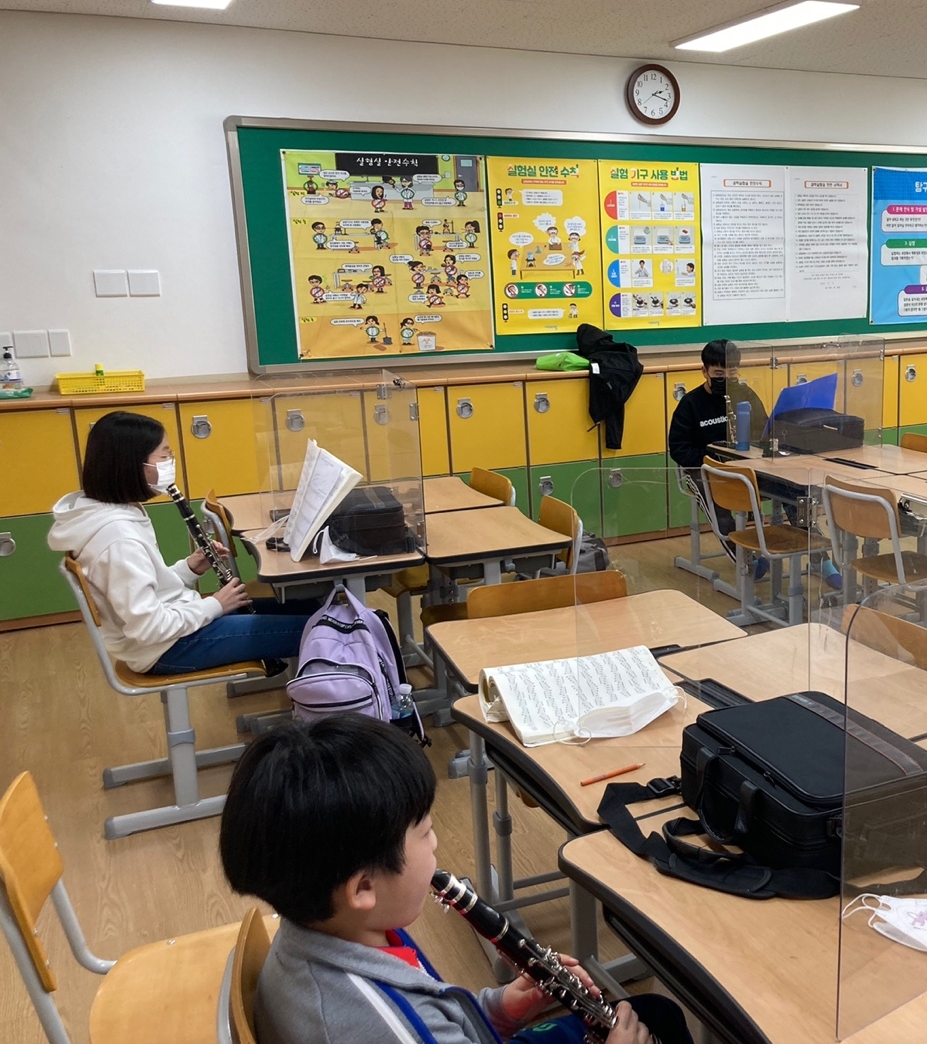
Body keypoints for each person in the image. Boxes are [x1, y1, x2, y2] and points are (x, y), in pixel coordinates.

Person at [219, 715, 691, 1044]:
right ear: (362, 888)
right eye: (425, 832)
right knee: (658, 1019)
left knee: (654, 1012)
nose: (437, 843)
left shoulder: (330, 925)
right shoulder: (382, 1026)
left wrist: (498, 1011)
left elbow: (441, 1019)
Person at [48, 411, 313, 675]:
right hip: (167, 648)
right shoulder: (117, 539)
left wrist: (189, 568)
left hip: (178, 626)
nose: (170, 462)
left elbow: (151, 589)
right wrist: (215, 605)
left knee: (314, 608)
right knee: (320, 631)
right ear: (133, 464)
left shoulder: (115, 511)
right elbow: (147, 627)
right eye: (164, 456)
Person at [667, 340, 841, 588]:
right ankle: (746, 560)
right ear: (704, 371)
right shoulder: (691, 404)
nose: (726, 378)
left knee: (794, 491)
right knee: (722, 502)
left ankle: (819, 559)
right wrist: (714, 461)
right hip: (707, 470)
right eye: (718, 373)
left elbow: (764, 431)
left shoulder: (746, 395)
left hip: (748, 467)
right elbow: (679, 448)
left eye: (732, 372)